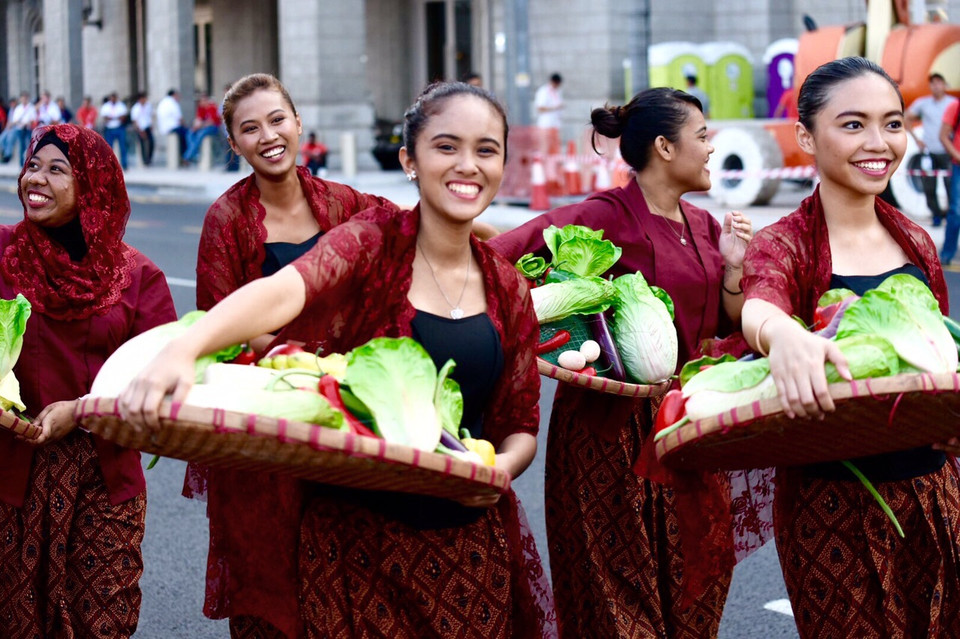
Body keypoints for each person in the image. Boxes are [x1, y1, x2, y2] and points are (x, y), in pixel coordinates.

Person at [120, 81, 555, 638]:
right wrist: (185, 348)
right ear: (409, 160)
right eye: (446, 146)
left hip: (470, 556)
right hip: (355, 552)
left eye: (485, 150)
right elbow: (284, 291)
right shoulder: (371, 242)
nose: (467, 164)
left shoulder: (508, 288)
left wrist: (497, 470)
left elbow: (520, 425)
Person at [488, 87, 753, 638]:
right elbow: (498, 258)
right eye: (702, 136)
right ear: (664, 147)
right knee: (617, 603)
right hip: (607, 438)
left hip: (686, 430)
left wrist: (733, 269)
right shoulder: (600, 215)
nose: (711, 147)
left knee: (694, 592)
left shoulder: (705, 225)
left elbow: (729, 323)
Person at [741, 57, 960, 637]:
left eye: (893, 123)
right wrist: (785, 334)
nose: (879, 143)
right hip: (829, 509)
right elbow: (759, 305)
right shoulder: (783, 243)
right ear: (806, 137)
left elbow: (943, 361)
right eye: (853, 124)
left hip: (933, 495)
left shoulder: (916, 242)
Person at [182, 72, 401, 635]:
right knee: (270, 580)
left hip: (345, 413)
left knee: (349, 574)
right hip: (267, 420)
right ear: (234, 144)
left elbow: (408, 232)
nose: (268, 136)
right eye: (250, 128)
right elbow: (221, 328)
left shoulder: (345, 202)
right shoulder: (226, 221)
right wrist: (302, 359)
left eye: (277, 120)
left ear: (299, 124)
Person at [0, 124, 176, 637]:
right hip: (11, 470)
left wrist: (80, 411)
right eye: (33, 166)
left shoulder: (138, 277)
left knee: (103, 619)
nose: (36, 179)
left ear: (93, 188)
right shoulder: (3, 252)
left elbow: (164, 379)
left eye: (57, 170)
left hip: (106, 476)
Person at [907, 72, 956, 227]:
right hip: (929, 152)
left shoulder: (953, 103)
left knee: (951, 186)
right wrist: (916, 139)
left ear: (945, 85)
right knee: (929, 185)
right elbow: (906, 117)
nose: (936, 86)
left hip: (948, 152)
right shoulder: (923, 103)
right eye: (933, 83)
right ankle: (936, 216)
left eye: (939, 82)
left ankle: (951, 216)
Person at [938, 89, 960, 265]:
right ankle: (947, 254)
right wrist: (957, 156)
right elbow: (943, 136)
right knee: (956, 211)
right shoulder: (955, 106)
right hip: (959, 166)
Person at [183, 92, 222, 164]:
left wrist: (201, 125)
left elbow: (211, 122)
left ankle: (187, 157)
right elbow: (198, 120)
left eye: (202, 101)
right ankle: (195, 154)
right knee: (190, 133)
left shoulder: (212, 107)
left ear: (206, 100)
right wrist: (195, 127)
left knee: (200, 134)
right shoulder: (201, 108)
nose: (200, 103)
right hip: (204, 127)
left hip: (213, 128)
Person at [2, 92, 37, 164]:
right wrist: (20, 123)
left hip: (28, 128)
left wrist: (27, 123)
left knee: (28, 145)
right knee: (21, 146)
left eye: (25, 98)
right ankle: (21, 163)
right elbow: (15, 120)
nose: (24, 100)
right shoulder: (18, 108)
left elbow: (34, 118)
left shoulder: (31, 108)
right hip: (20, 129)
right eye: (23, 99)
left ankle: (28, 162)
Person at [156, 88, 189, 162]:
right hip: (172, 127)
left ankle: (183, 156)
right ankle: (186, 156)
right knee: (188, 133)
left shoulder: (163, 102)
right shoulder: (173, 103)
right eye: (178, 96)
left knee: (182, 135)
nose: (179, 98)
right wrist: (186, 126)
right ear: (174, 95)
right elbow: (180, 118)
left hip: (164, 128)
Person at [99, 92, 129, 170]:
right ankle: (110, 165)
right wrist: (116, 117)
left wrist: (112, 118)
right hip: (109, 128)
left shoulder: (121, 105)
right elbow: (105, 117)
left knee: (123, 146)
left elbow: (123, 117)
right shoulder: (106, 106)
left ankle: (124, 164)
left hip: (119, 127)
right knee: (109, 148)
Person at [130, 91, 154, 167]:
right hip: (140, 128)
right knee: (142, 144)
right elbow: (135, 120)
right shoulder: (136, 108)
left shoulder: (148, 106)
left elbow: (150, 116)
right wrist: (140, 130)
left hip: (147, 126)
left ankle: (149, 158)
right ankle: (144, 160)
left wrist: (151, 125)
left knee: (151, 142)